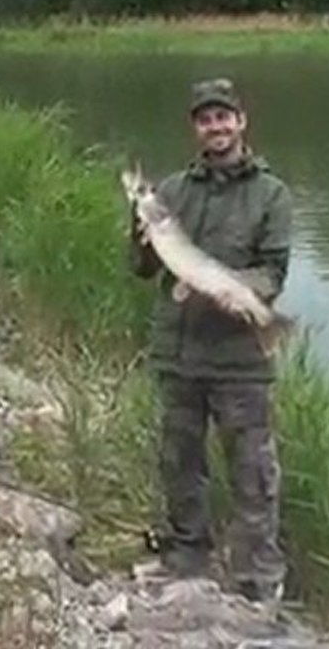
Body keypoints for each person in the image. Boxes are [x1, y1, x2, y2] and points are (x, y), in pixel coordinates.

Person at [129, 77, 293, 603]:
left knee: (253, 470)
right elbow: (142, 268)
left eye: (224, 116)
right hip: (180, 354)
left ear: (241, 121)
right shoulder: (172, 191)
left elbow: (274, 272)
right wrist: (143, 236)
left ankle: (257, 580)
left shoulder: (272, 194)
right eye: (205, 118)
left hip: (240, 359)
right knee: (180, 461)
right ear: (195, 128)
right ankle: (187, 558)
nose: (215, 126)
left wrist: (242, 293)